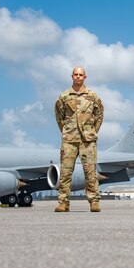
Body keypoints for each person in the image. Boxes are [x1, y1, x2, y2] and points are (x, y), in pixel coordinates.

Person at [54, 67, 104, 212]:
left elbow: (99, 115)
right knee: (65, 172)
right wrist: (66, 131)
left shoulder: (92, 96)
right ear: (72, 77)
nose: (78, 77)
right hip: (69, 139)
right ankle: (63, 202)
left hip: (88, 140)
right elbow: (59, 117)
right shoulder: (64, 96)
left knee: (90, 172)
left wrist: (92, 131)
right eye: (75, 74)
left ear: (85, 77)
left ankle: (94, 201)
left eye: (80, 75)